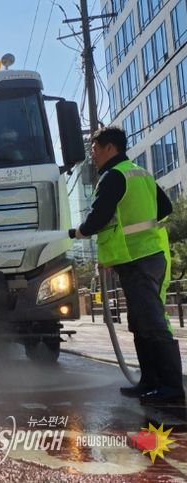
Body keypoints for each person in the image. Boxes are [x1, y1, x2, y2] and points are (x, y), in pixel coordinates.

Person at [70, 126, 184, 405]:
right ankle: (149, 382)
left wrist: (79, 232)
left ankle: (171, 387)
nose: (93, 156)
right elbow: (165, 208)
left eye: (95, 150)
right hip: (148, 255)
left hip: (137, 258)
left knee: (152, 322)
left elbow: (98, 217)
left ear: (111, 148)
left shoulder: (113, 176)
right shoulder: (140, 173)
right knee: (141, 321)